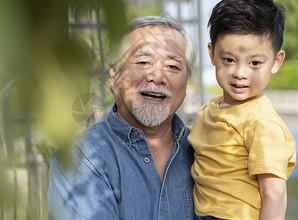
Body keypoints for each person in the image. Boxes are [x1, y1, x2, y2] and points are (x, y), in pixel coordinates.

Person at [48, 15, 197, 219]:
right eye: (143, 62)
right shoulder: (80, 159)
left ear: (186, 80)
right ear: (113, 75)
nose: (157, 76)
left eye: (172, 66)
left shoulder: (206, 153)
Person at [188, 0, 296, 220]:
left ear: (276, 62)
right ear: (212, 54)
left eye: (255, 62)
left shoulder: (261, 122)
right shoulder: (209, 110)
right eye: (229, 60)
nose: (240, 73)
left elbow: (275, 195)